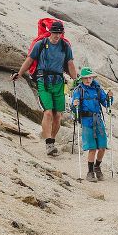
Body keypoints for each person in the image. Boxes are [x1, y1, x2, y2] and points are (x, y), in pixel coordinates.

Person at [11, 20, 77, 156]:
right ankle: (48, 144)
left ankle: (52, 141)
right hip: (43, 81)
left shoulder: (65, 46)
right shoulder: (41, 44)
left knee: (58, 115)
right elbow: (29, 60)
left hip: (59, 82)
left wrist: (77, 80)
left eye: (60, 33)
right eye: (55, 33)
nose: (57, 35)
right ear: (50, 32)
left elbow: (70, 64)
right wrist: (20, 73)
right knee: (48, 112)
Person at [72, 67, 113, 182]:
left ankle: (97, 167)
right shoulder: (78, 90)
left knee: (102, 146)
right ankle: (90, 172)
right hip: (86, 121)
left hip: (98, 120)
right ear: (82, 79)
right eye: (86, 78)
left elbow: (106, 103)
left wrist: (110, 98)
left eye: (90, 77)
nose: (88, 79)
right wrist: (74, 105)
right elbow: (74, 106)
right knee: (92, 148)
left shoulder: (97, 89)